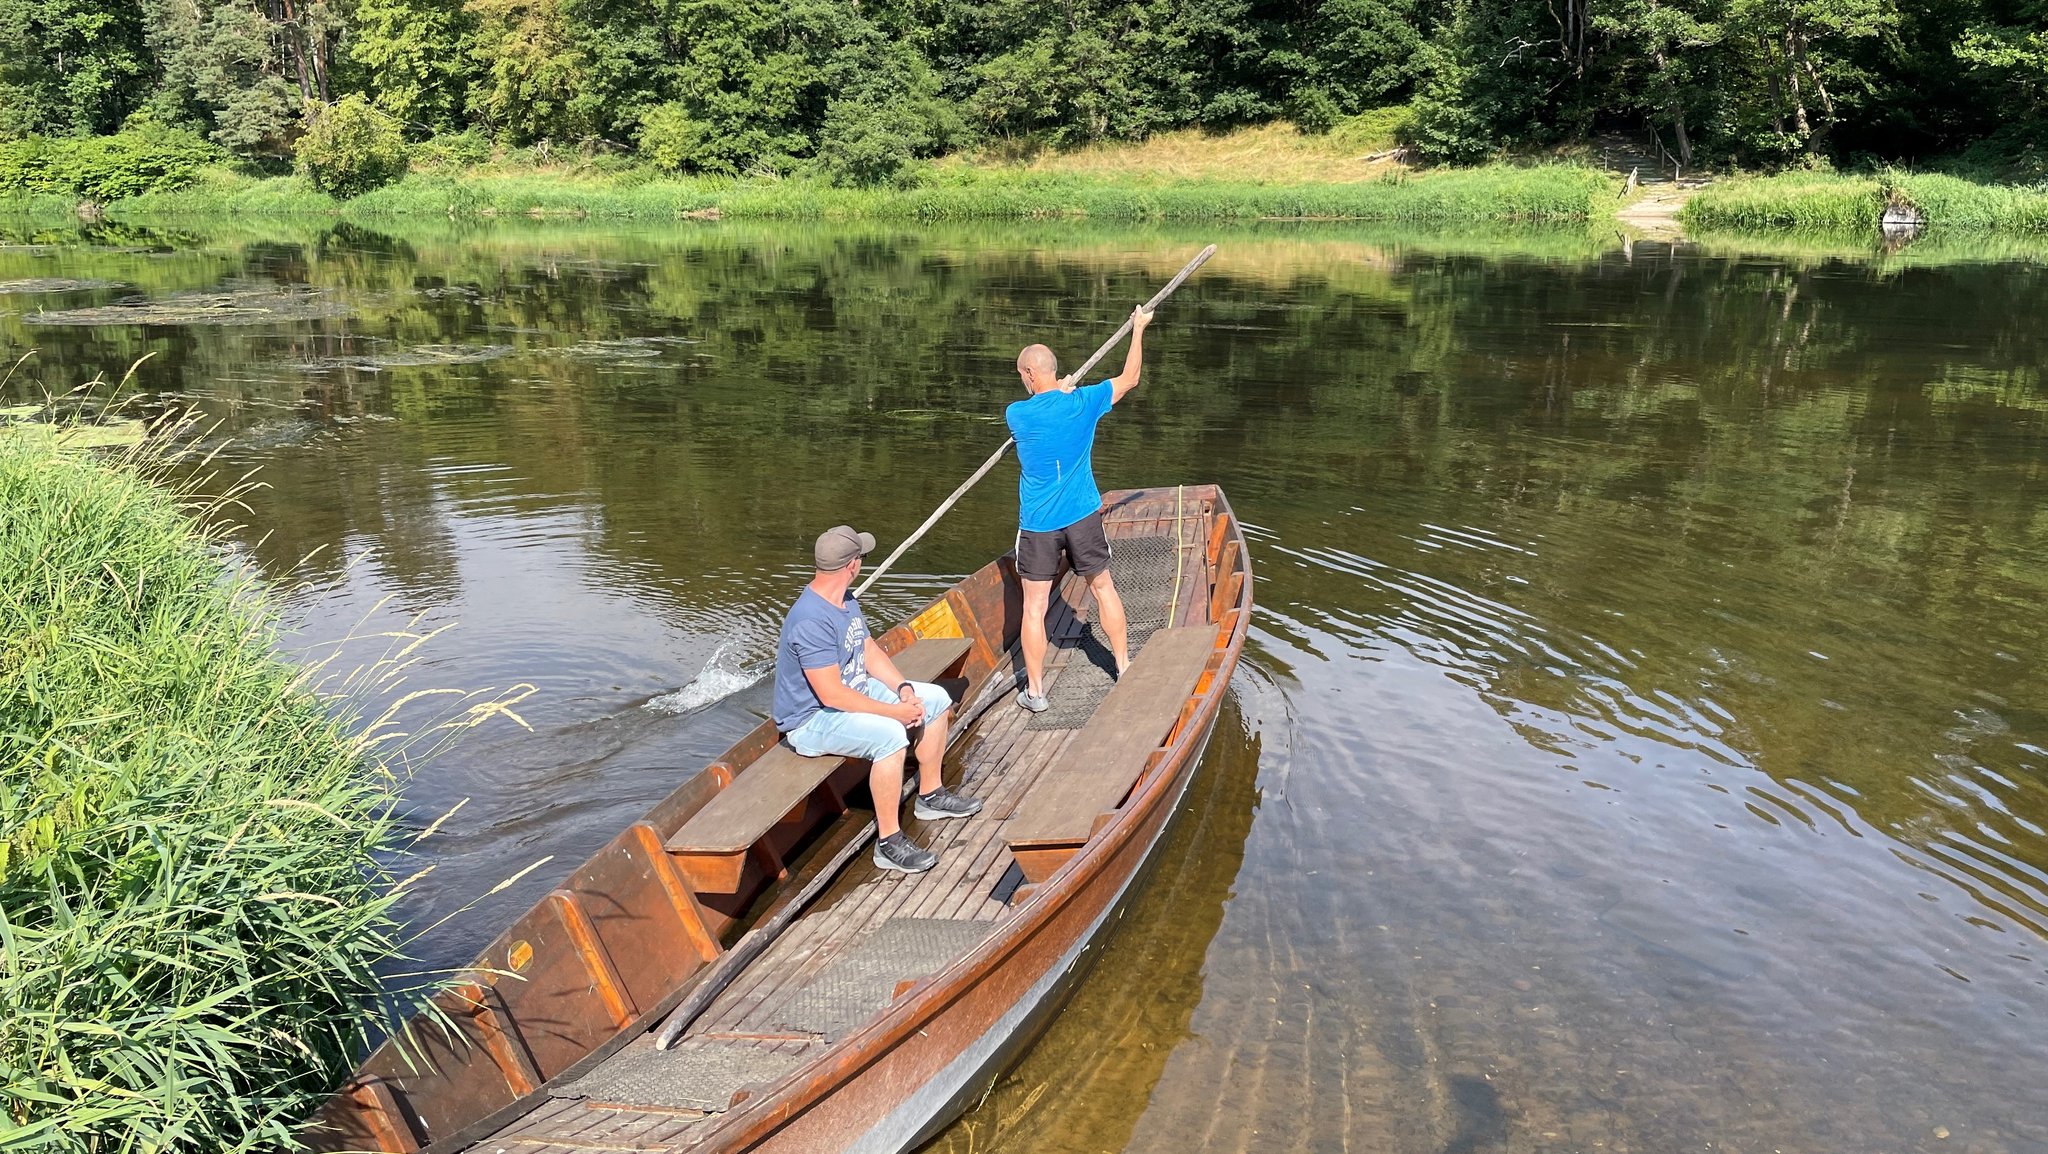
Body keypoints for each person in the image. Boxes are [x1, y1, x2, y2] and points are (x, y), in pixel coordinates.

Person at [772, 524, 983, 874]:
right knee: (890, 737)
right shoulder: (810, 619)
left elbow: (867, 650)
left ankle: (930, 796)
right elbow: (830, 693)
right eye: (861, 558)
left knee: (935, 699)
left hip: (852, 692)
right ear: (851, 565)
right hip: (812, 720)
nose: (862, 564)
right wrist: (893, 714)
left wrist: (904, 689)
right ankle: (888, 843)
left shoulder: (845, 600)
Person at [1005, 304, 1153, 712]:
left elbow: (1042, 405)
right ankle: (1123, 666)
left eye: (1023, 375)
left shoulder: (1016, 414)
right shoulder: (1084, 403)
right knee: (1103, 588)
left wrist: (1060, 390)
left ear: (1031, 375)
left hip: (1038, 525)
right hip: (1083, 515)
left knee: (1034, 607)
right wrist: (1137, 329)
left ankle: (1036, 693)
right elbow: (1131, 378)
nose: (1022, 382)